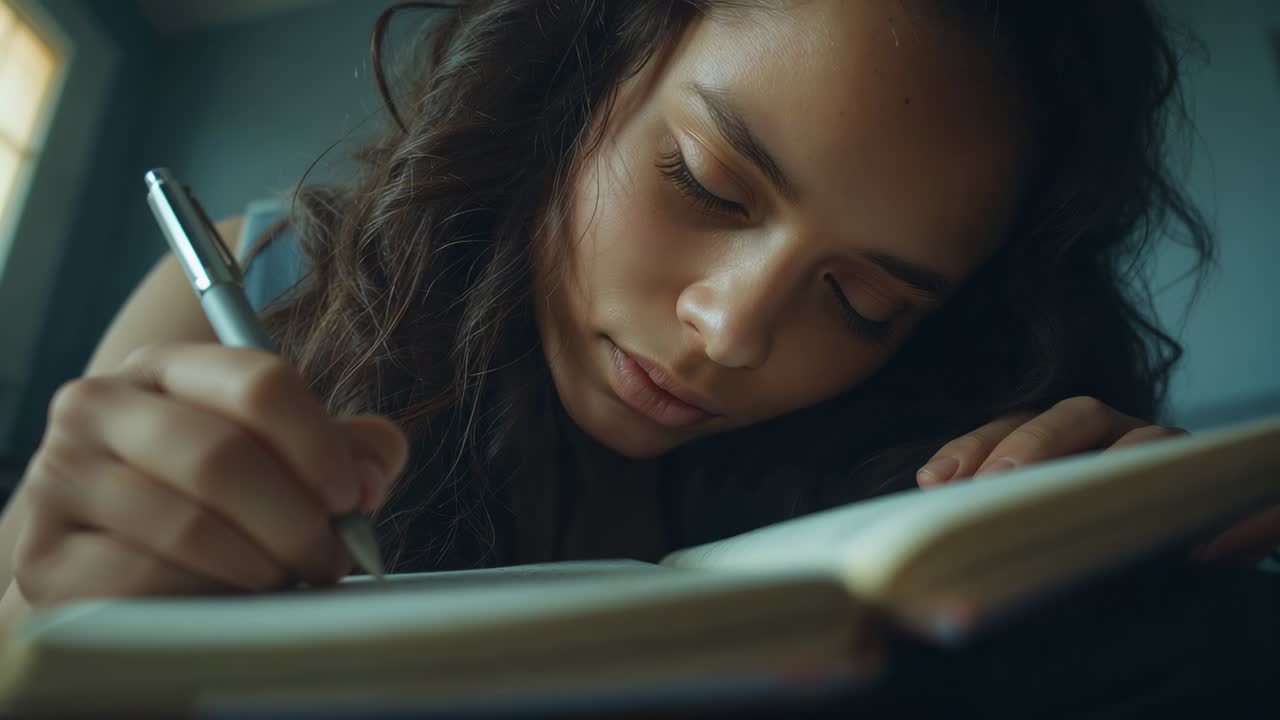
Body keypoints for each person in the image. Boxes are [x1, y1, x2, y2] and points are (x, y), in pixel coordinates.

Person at [0, 0, 1273, 630]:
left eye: (861, 300)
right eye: (705, 183)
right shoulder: (262, 284)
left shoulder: (917, 435)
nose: (727, 332)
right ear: (578, 74)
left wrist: (1114, 583)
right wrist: (40, 613)